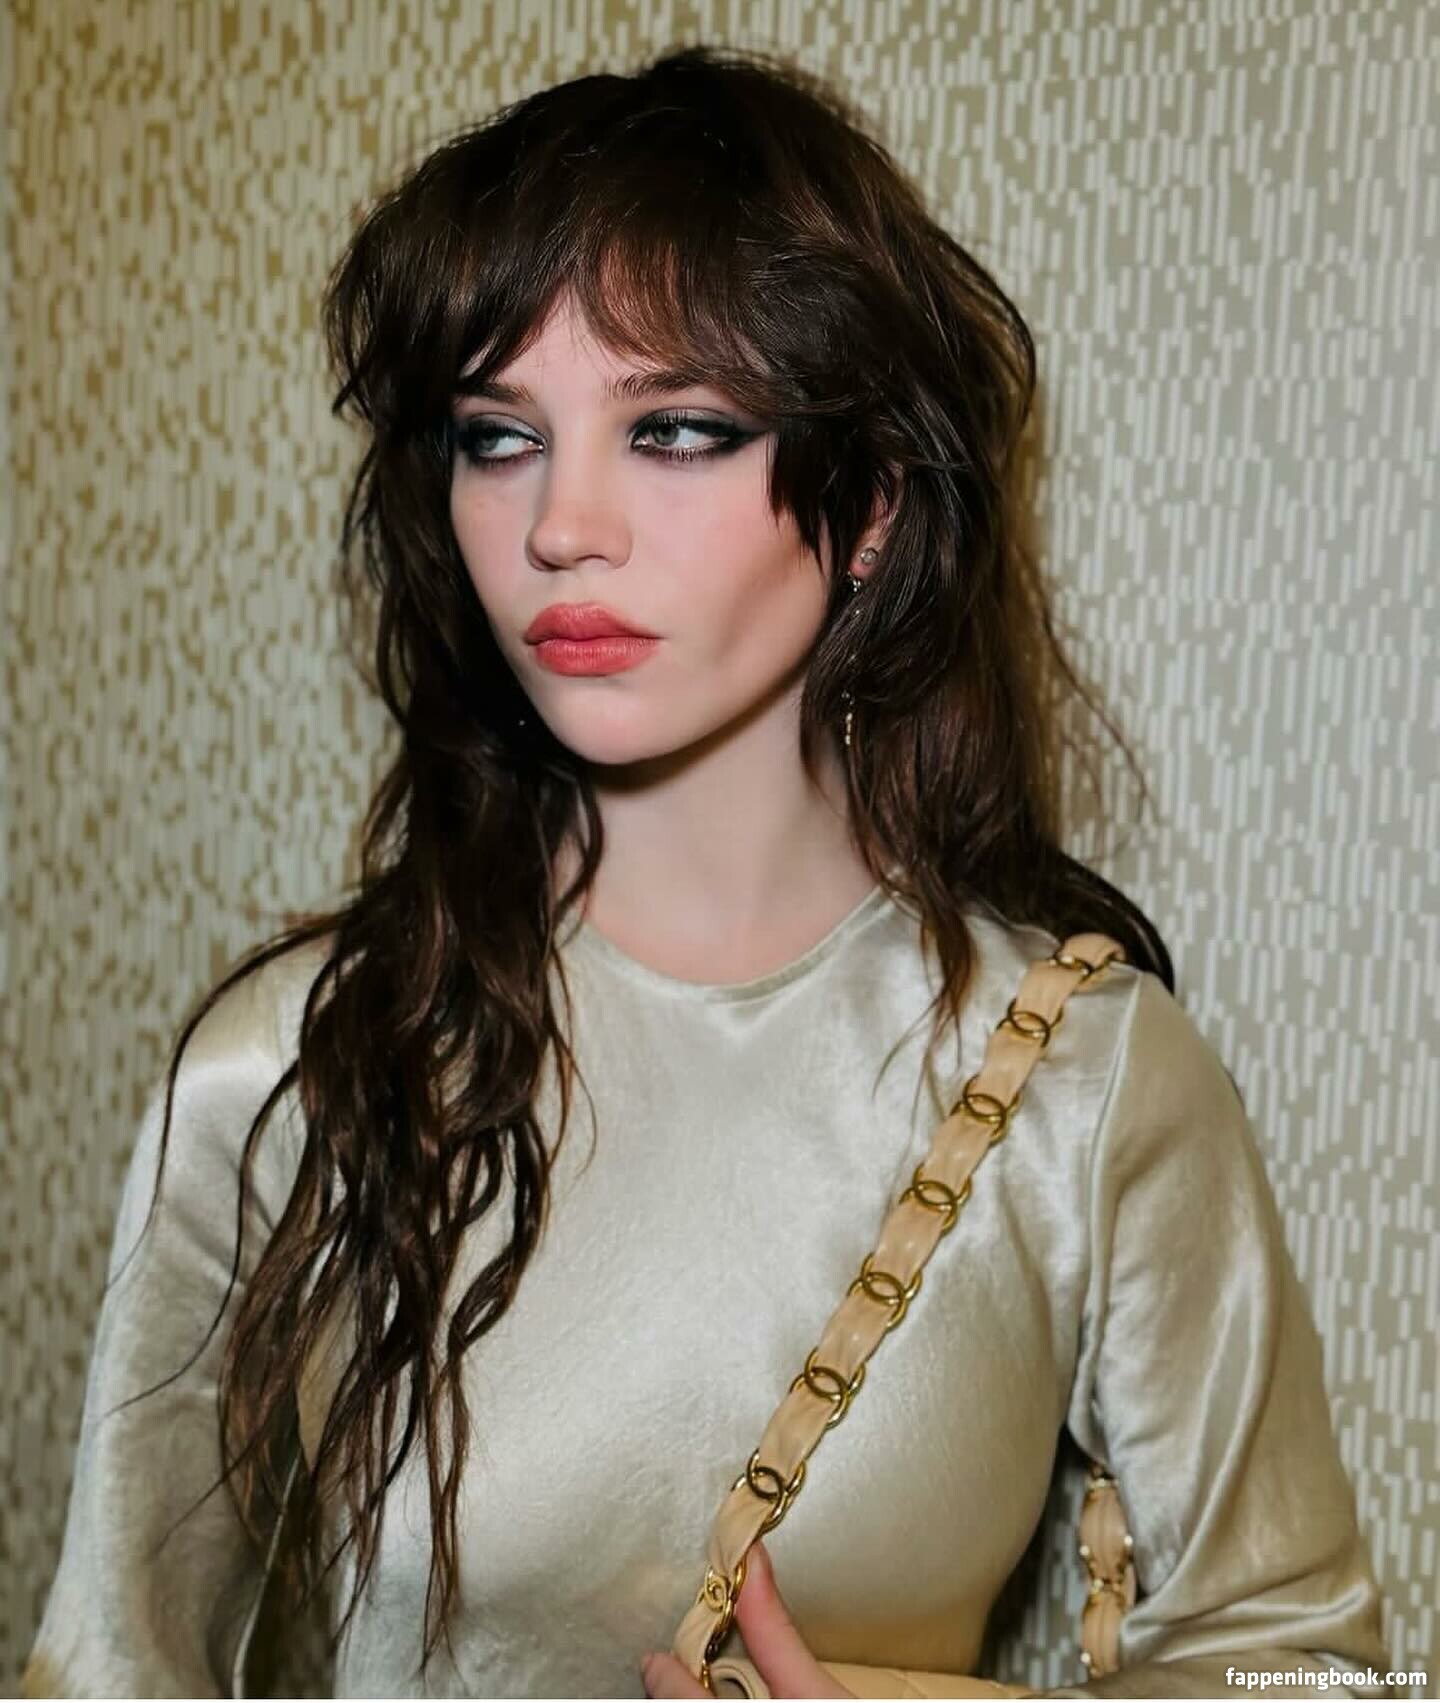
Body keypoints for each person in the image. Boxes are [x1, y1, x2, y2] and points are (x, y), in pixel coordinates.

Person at [25, 41, 1390, 1702]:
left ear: (872, 503)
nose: (561, 526)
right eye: (496, 437)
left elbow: (1309, 1670)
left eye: (673, 427)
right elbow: (107, 1674)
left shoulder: (1082, 1088)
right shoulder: (291, 1071)